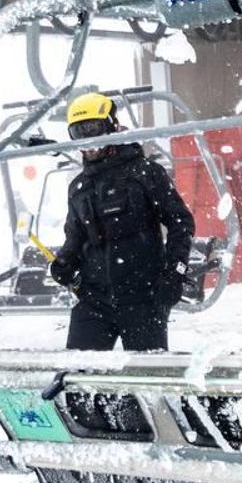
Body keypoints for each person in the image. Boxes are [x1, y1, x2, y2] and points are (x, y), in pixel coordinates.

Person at [49, 92, 195, 351]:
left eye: (93, 129)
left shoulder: (145, 173)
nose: (88, 141)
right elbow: (75, 236)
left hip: (144, 297)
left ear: (112, 126)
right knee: (78, 370)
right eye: (78, 132)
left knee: (145, 371)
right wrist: (65, 262)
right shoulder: (79, 187)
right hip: (94, 298)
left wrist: (175, 272)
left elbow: (180, 222)